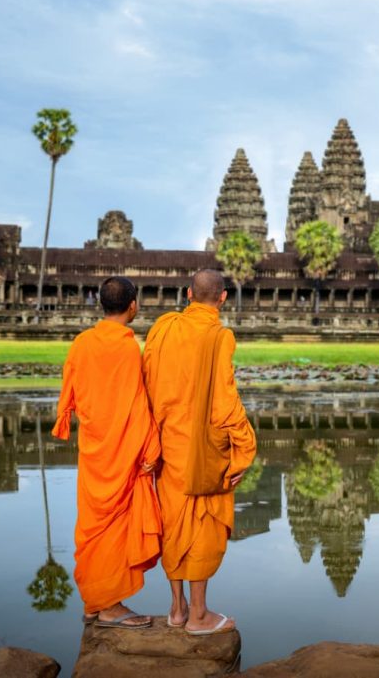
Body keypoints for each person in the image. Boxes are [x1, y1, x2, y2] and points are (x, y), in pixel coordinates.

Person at [142, 269, 257, 636]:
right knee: (201, 525)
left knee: (173, 524)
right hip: (202, 449)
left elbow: (146, 380)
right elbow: (224, 401)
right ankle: (199, 614)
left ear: (188, 293)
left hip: (165, 443)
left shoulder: (163, 327)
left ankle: (176, 609)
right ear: (223, 298)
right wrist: (245, 447)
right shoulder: (219, 335)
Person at [52, 276, 161, 629]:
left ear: (101, 304)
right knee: (114, 526)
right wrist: (150, 447)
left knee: (92, 525)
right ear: (134, 305)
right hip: (121, 450)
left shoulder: (82, 343)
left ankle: (94, 602)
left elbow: (70, 391)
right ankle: (109, 605)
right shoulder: (128, 348)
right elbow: (136, 403)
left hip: (95, 447)